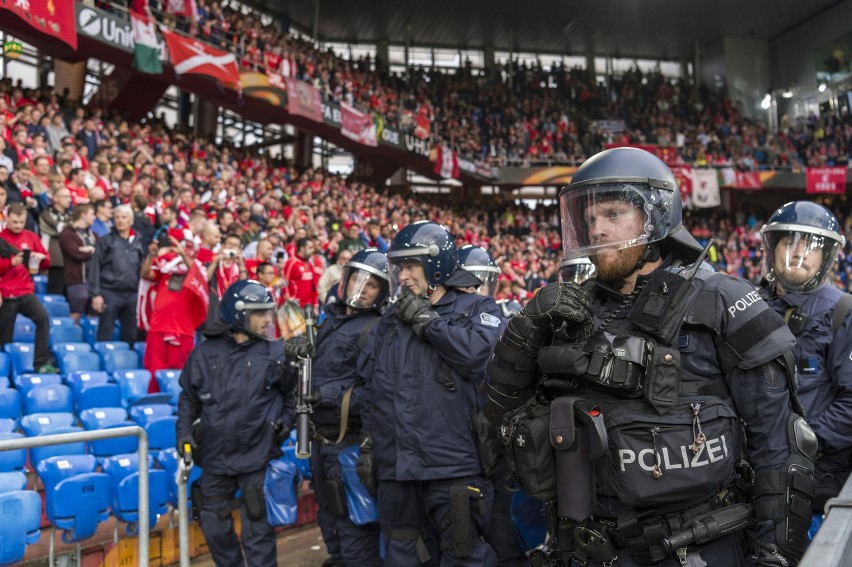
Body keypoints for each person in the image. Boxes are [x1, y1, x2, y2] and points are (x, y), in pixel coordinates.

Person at [483, 147, 815, 566]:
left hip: (696, 547)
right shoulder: (567, 309)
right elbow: (500, 414)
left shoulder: (723, 301)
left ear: (656, 216)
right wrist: (527, 325)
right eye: (588, 219)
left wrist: (775, 554)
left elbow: (781, 445)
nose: (597, 230)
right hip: (588, 549)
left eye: (613, 213)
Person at [357, 220, 503, 566]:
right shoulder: (389, 323)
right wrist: (369, 444)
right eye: (400, 267)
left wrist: (428, 322)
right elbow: (372, 389)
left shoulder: (478, 309)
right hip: (397, 470)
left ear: (435, 264)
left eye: (411, 265)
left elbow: (476, 356)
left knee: (464, 556)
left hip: (453, 466)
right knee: (402, 556)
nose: (403, 275)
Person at [176, 280, 295, 567]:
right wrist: (184, 436)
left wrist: (284, 424)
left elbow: (293, 396)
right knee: (213, 526)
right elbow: (188, 401)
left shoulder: (276, 353)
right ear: (238, 313)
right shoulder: (205, 353)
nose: (268, 319)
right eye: (260, 313)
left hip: (257, 456)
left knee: (258, 533)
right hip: (214, 458)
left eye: (269, 311)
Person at [286, 249, 389, 567]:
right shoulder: (329, 321)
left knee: (355, 523)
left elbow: (378, 392)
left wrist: (325, 394)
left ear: (382, 293)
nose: (362, 288)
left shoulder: (376, 329)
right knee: (329, 519)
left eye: (372, 284)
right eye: (358, 278)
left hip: (351, 442)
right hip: (321, 441)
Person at [759, 201, 852, 515]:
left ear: (825, 257)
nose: (798, 252)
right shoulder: (749, 306)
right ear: (772, 248)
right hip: (755, 481)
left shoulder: (843, 311)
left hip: (817, 482)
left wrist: (803, 444)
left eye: (810, 245)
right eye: (789, 242)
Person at [457, 244, 528, 567]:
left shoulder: (504, 316)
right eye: (475, 280)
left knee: (499, 516)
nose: (480, 289)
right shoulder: (458, 325)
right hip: (467, 436)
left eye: (486, 280)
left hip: (498, 433)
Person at [141, 228, 209, 380]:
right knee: (154, 372)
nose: (186, 249)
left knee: (179, 376)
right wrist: (151, 256)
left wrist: (182, 254)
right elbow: (146, 274)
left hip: (183, 329)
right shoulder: (167, 266)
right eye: (185, 246)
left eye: (190, 247)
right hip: (158, 326)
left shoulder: (199, 269)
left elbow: (197, 275)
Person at [0, 203, 56, 374]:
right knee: (4, 336)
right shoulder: (1, 237)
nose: (18, 226)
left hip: (26, 291)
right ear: (7, 218)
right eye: (15, 222)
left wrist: (40, 258)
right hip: (6, 293)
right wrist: (10, 263)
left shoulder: (31, 236)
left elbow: (48, 261)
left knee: (42, 319)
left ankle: (40, 364)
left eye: (21, 222)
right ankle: (4, 370)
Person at [89, 204, 147, 343]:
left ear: (131, 221)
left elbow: (143, 269)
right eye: (117, 217)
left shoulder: (139, 242)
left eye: (124, 217)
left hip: (132, 294)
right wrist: (96, 294)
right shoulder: (105, 241)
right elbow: (95, 267)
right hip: (110, 292)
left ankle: (128, 363)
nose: (120, 220)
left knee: (131, 335)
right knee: (105, 332)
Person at [58, 204, 97, 322]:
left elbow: (101, 253)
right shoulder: (67, 233)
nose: (95, 217)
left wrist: (87, 250)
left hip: (93, 281)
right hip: (76, 280)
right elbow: (75, 254)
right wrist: (91, 251)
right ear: (83, 215)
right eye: (92, 214)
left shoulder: (93, 235)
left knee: (93, 315)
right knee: (76, 314)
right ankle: (71, 337)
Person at [39, 187, 73, 295]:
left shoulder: (71, 215)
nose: (69, 199)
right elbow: (60, 230)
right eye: (66, 196)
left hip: (69, 260)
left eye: (70, 196)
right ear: (56, 198)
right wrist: (71, 227)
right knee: (55, 294)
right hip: (54, 260)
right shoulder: (46, 214)